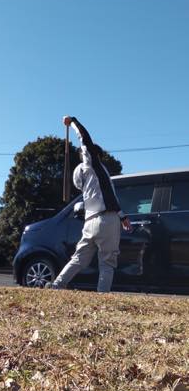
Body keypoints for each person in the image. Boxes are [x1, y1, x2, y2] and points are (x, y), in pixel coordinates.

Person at [46, 115, 132, 292]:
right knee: (107, 263)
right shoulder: (95, 166)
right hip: (107, 220)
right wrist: (73, 122)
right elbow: (84, 138)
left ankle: (57, 285)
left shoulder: (85, 179)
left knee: (79, 258)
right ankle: (102, 296)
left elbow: (107, 195)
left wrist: (123, 216)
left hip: (89, 222)